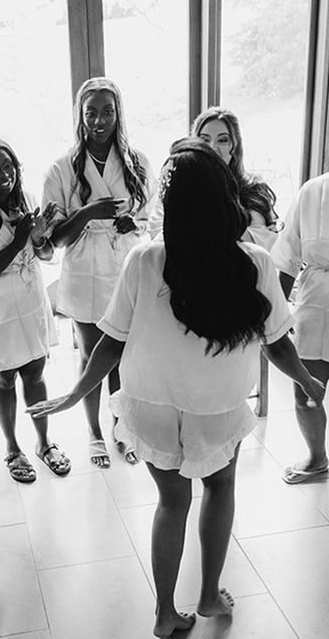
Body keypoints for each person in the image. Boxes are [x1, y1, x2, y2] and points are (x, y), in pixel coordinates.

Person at [29, 139, 324, 638]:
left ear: (171, 207)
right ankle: (208, 595)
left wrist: (76, 393)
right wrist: (307, 380)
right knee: (220, 487)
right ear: (226, 199)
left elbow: (109, 344)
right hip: (218, 407)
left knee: (171, 503)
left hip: (153, 406)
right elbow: (277, 345)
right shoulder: (254, 262)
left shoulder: (145, 260)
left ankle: (165, 613)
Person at [43, 76, 153, 468]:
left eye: (108, 111)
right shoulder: (61, 168)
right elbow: (53, 238)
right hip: (85, 267)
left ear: (118, 113)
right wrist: (89, 212)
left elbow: (148, 215)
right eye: (92, 112)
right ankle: (92, 431)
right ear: (80, 115)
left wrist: (133, 224)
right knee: (92, 354)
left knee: (122, 353)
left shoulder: (137, 161)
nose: (100, 120)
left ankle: (121, 429)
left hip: (124, 264)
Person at [0, 137, 69, 482]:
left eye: (8, 166)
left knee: (36, 373)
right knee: (5, 378)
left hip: (31, 301)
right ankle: (11, 446)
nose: (3, 175)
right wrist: (20, 236)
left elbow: (45, 255)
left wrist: (38, 237)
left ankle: (43, 441)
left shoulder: (27, 201)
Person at [147, 106, 280, 249]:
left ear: (235, 146)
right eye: (205, 139)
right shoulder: (176, 189)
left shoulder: (254, 189)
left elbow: (267, 245)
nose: (213, 147)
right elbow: (158, 236)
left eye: (222, 140)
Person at [271, 172, 329, 483]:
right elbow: (287, 255)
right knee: (306, 391)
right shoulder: (313, 190)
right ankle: (317, 458)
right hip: (316, 298)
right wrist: (274, 318)